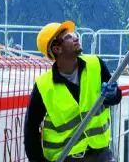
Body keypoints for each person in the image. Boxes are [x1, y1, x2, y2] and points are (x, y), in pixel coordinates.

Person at [24, 20, 122, 162]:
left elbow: (116, 97)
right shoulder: (43, 86)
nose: (76, 38)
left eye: (74, 34)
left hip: (100, 153)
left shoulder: (96, 65)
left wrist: (112, 95)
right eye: (68, 37)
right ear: (57, 49)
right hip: (66, 157)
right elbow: (31, 129)